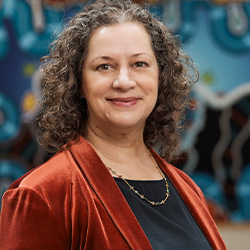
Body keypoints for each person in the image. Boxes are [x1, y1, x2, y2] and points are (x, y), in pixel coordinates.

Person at [0, 0, 227, 249]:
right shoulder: (42, 195)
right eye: (104, 66)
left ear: (160, 78)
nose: (123, 81)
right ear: (79, 83)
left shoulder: (188, 189)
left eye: (139, 64)